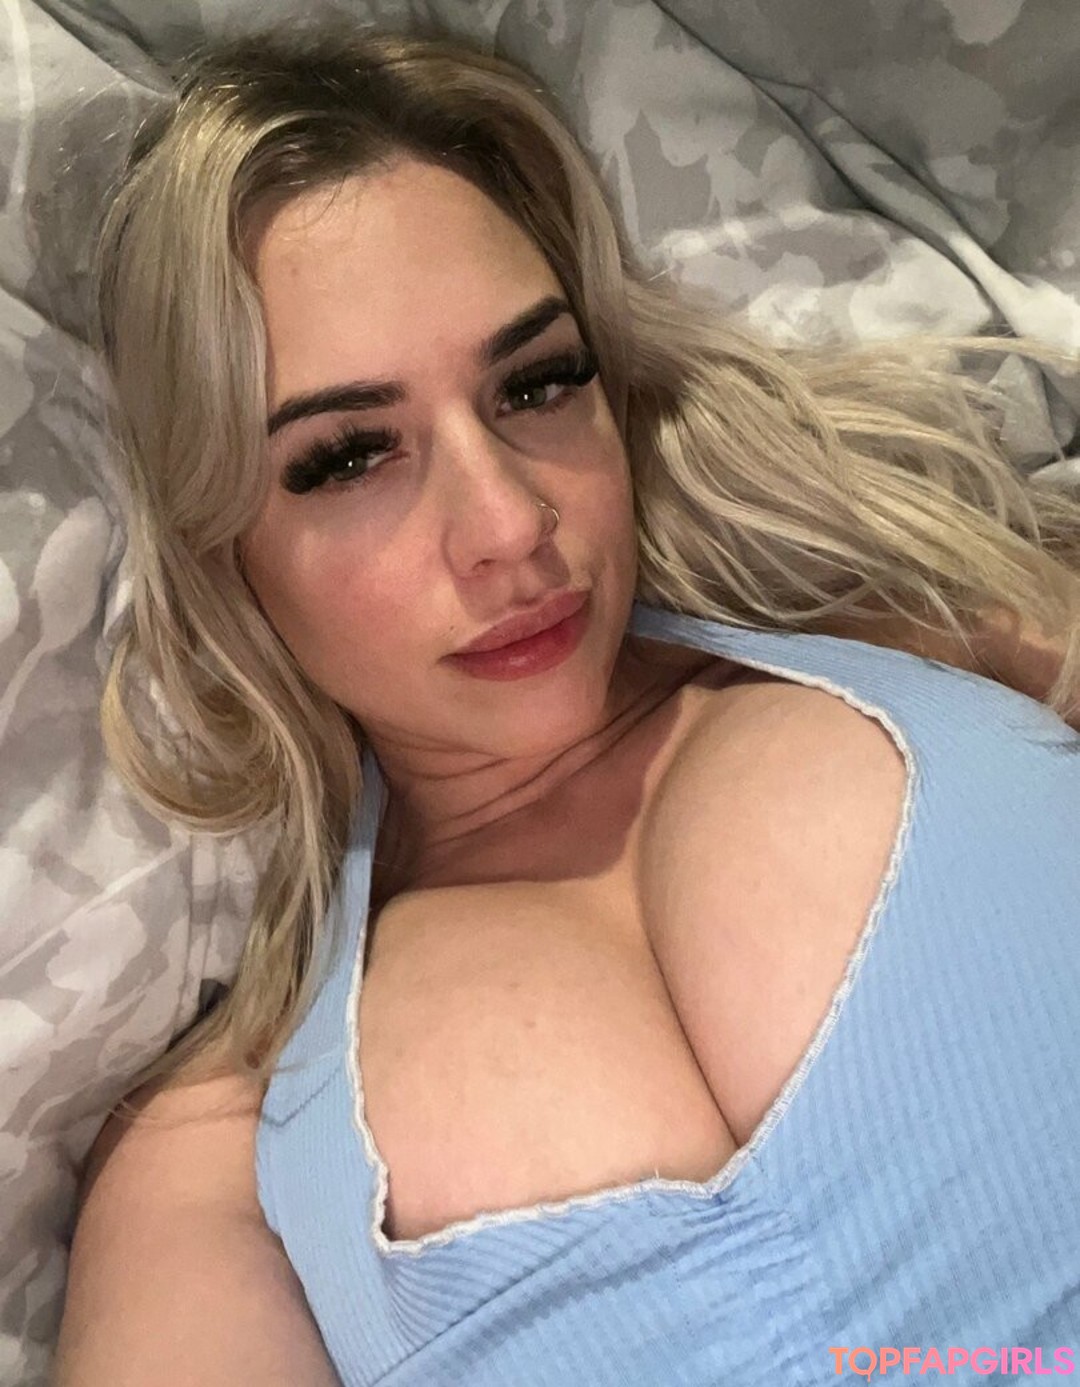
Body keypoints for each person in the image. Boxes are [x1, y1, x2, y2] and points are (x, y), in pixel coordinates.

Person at [54, 21, 1080, 1386]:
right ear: (218, 542)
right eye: (349, 457)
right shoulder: (218, 1159)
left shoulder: (948, 633)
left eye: (536, 385)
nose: (508, 524)